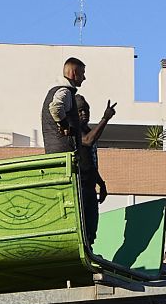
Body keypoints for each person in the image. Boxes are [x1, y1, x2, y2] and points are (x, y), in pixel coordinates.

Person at [41, 57, 116, 244]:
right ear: (74, 73)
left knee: (89, 229)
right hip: (71, 172)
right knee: (83, 227)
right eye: (82, 73)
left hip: (79, 177)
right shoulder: (64, 91)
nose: (84, 78)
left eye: (85, 111)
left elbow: (89, 161)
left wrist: (100, 182)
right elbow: (56, 107)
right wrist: (64, 123)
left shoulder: (63, 94)